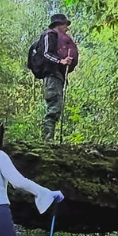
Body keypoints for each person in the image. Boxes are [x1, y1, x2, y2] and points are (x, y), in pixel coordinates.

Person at [40, 13, 79, 141]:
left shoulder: (58, 37)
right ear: (58, 25)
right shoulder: (49, 35)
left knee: (57, 106)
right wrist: (60, 61)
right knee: (53, 107)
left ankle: (49, 139)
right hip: (51, 76)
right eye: (65, 25)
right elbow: (46, 54)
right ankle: (47, 140)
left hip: (58, 76)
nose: (67, 28)